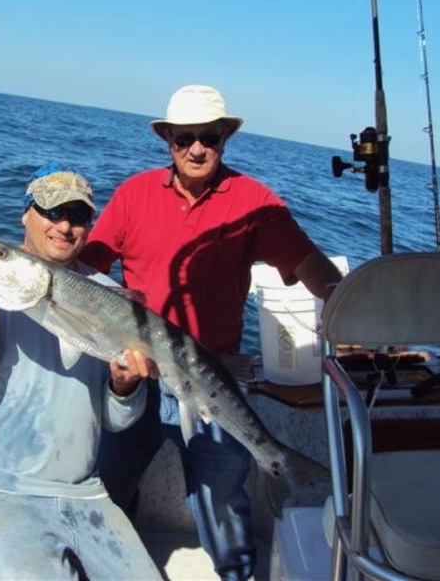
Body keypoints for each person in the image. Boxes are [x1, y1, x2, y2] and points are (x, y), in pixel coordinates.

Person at [81, 85, 344, 581]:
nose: (197, 149)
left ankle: (235, 574)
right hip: (134, 371)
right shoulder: (134, 193)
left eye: (209, 137)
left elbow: (306, 261)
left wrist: (349, 306)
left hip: (213, 375)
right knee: (108, 477)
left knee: (221, 493)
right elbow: (86, 269)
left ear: (225, 138)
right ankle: (104, 562)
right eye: (185, 139)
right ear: (168, 141)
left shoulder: (254, 202)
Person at [0, 164, 163, 581]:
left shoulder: (108, 296)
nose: (64, 226)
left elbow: (115, 421)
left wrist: (124, 387)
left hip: (85, 493)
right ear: (25, 215)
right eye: (51, 211)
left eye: (78, 216)